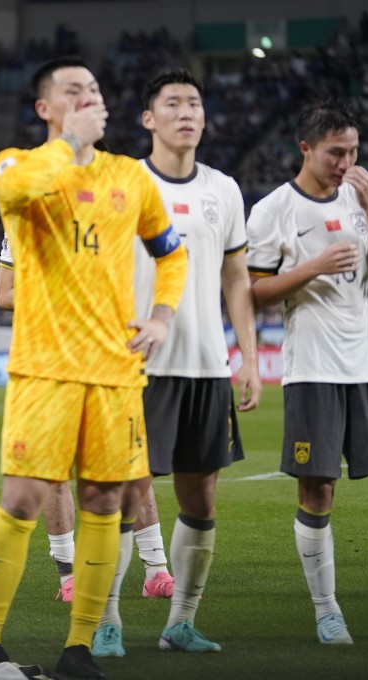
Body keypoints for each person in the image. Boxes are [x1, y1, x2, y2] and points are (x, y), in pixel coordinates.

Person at [0, 56, 187, 679]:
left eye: (94, 89)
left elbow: (171, 255)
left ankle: (79, 649)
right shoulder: (17, 163)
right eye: (73, 91)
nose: (89, 98)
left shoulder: (131, 178)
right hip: (44, 369)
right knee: (21, 498)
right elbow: (16, 190)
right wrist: (70, 143)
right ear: (46, 108)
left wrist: (163, 316)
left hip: (116, 371)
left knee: (103, 500)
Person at [91, 68, 263, 658]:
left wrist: (248, 357)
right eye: (173, 103)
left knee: (201, 500)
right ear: (148, 119)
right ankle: (106, 620)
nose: (187, 112)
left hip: (208, 367)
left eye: (195, 102)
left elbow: (237, 278)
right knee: (123, 494)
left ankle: (180, 623)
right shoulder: (122, 183)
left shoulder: (226, 189)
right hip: (138, 366)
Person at [247, 99, 368, 644]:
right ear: (306, 148)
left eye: (353, 151)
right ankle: (327, 611)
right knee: (318, 492)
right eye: (335, 153)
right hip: (313, 371)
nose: (346, 162)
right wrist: (311, 268)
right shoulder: (274, 210)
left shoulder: (361, 198)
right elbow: (253, 294)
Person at [0, 236, 175, 605]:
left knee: (131, 463)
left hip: (107, 357)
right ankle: (70, 577)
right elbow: (3, 294)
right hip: (49, 362)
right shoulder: (23, 219)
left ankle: (156, 571)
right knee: (56, 473)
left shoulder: (107, 207)